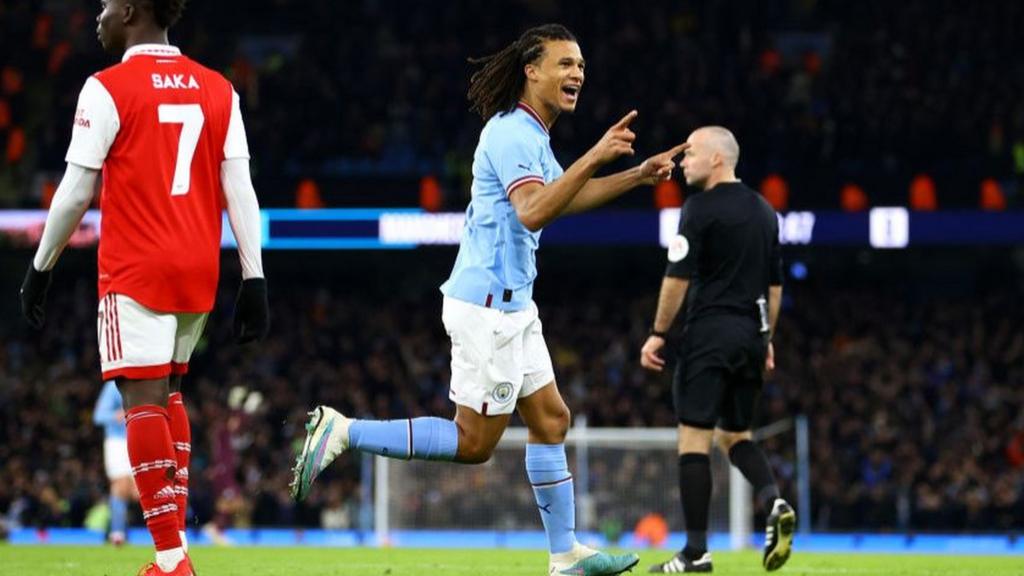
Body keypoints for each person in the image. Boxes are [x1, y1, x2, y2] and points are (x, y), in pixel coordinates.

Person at [291, 23, 686, 576]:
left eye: (581, 67)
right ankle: (343, 430)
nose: (578, 74)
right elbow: (532, 211)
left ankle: (565, 553)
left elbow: (562, 199)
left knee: (551, 419)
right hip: (488, 308)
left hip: (515, 306)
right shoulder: (509, 135)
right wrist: (597, 154)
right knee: (474, 441)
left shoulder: (532, 135)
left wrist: (636, 177)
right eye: (566, 64)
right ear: (532, 69)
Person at [18, 1, 269, 574]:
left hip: (136, 269)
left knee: (141, 402)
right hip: (197, 270)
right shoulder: (217, 88)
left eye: (105, 5)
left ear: (131, 11)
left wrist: (41, 266)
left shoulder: (105, 88)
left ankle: (168, 557)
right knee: (171, 394)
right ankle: (174, 548)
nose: (98, 16)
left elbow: (76, 191)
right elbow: (241, 190)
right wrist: (253, 276)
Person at [640, 126, 795, 573]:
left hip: (709, 334)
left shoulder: (700, 208)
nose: (682, 162)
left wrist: (658, 333)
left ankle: (695, 552)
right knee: (735, 435)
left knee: (693, 439)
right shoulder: (766, 212)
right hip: (751, 336)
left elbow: (677, 276)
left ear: (717, 159)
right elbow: (775, 286)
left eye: (690, 154)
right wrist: (766, 339)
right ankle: (774, 502)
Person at [93, 380, 138, 546]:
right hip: (117, 442)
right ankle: (117, 533)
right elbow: (98, 416)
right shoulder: (113, 386)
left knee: (138, 491)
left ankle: (161, 530)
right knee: (120, 485)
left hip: (141, 440)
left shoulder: (144, 381)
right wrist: (117, 415)